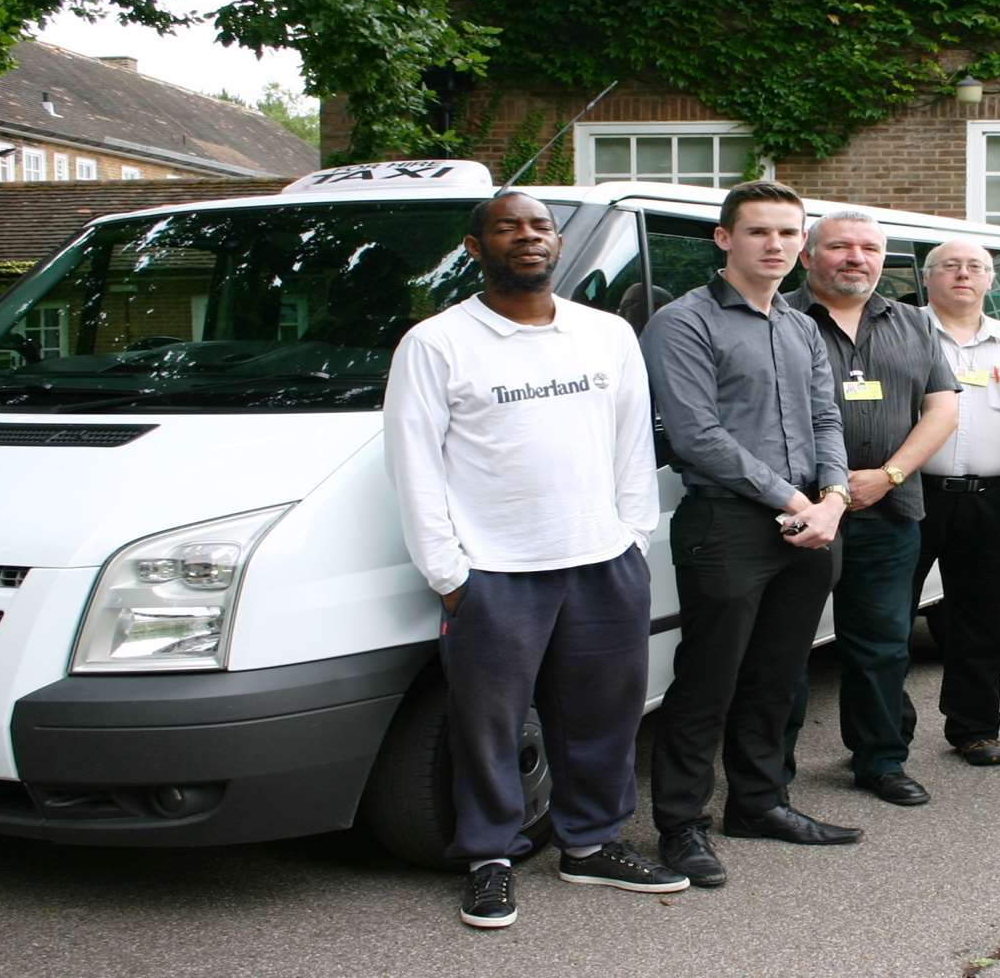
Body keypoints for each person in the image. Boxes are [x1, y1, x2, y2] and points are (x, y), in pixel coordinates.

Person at [383, 192, 687, 930]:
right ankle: (490, 856)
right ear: (476, 245)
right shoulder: (436, 343)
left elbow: (630, 444)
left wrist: (630, 535)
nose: (527, 236)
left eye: (540, 226)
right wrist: (449, 576)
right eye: (507, 226)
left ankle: (591, 845)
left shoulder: (607, 334)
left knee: (604, 717)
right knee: (487, 725)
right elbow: (413, 466)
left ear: (556, 243)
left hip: (602, 561)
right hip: (494, 570)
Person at [641, 181, 859, 889]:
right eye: (760, 232)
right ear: (723, 238)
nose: (776, 245)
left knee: (778, 675)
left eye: (789, 234)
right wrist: (795, 498)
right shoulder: (684, 322)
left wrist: (831, 499)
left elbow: (827, 417)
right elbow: (697, 435)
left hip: (811, 524)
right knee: (709, 679)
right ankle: (680, 826)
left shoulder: (799, 323)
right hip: (728, 524)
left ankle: (759, 803)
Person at [782, 211, 959, 806]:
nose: (855, 257)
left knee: (882, 643)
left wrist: (889, 475)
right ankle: (770, 772)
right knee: (786, 646)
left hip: (889, 510)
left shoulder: (913, 323)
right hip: (796, 511)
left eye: (869, 248)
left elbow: (942, 410)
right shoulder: (778, 319)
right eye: (839, 246)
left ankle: (880, 761)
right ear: (808, 256)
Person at [906, 238, 1000, 768]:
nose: (962, 275)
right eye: (949, 266)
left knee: (984, 620)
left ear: (990, 280)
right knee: (889, 616)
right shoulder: (900, 330)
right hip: (912, 494)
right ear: (928, 277)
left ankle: (975, 728)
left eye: (975, 267)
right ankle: (886, 734)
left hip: (997, 497)